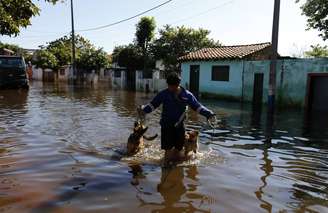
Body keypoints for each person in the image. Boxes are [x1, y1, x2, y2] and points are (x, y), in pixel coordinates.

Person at [138, 72, 216, 163]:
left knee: (179, 148)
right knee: (168, 149)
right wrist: (143, 110)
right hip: (166, 125)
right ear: (168, 84)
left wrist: (209, 114)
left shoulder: (187, 95)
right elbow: (153, 105)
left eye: (174, 86)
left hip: (179, 126)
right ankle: (166, 165)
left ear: (178, 84)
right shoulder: (164, 94)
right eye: (170, 86)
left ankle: (175, 165)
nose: (171, 88)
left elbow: (197, 106)